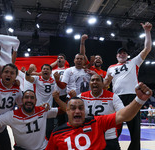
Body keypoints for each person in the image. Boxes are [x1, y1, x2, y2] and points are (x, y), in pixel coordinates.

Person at [46, 82, 152, 150]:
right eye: (73, 108)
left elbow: (123, 115)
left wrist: (140, 99)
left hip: (111, 140)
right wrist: (57, 100)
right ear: (67, 110)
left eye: (81, 108)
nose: (77, 111)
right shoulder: (57, 133)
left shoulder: (97, 122)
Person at [104, 22, 152, 150]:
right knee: (115, 128)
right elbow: (105, 85)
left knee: (135, 130)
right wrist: (106, 81)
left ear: (127, 55)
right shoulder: (110, 68)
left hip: (132, 97)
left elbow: (147, 49)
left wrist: (147, 31)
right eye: (120, 53)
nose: (122, 54)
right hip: (116, 98)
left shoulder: (133, 62)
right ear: (116, 56)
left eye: (124, 53)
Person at [0, 90, 65, 150]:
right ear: (22, 100)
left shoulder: (42, 110)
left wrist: (57, 99)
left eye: (32, 98)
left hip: (43, 148)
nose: (29, 100)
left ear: (35, 101)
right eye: (26, 97)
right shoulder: (13, 115)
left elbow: (65, 110)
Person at [79, 74, 124, 150]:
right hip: (88, 137)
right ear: (89, 83)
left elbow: (123, 113)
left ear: (103, 84)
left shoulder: (113, 97)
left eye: (97, 80)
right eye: (92, 80)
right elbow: (70, 111)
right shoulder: (81, 97)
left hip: (109, 138)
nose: (94, 82)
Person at [52, 53, 69, 125]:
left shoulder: (68, 70)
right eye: (58, 58)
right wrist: (56, 61)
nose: (59, 59)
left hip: (64, 95)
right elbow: (46, 68)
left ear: (65, 61)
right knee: (55, 115)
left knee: (64, 114)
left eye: (61, 58)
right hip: (53, 95)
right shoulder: (52, 71)